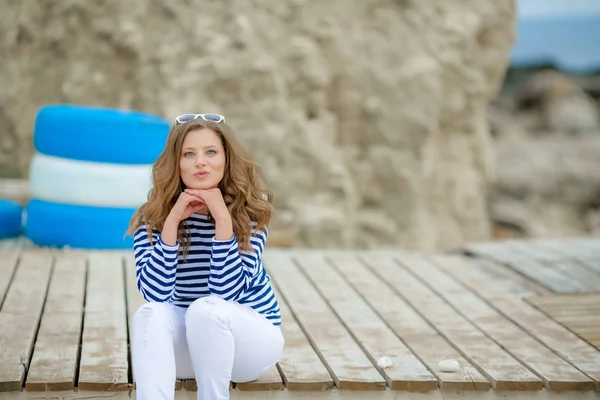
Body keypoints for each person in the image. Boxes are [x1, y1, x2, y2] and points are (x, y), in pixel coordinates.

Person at [127, 113, 283, 400]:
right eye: (189, 154)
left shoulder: (251, 215)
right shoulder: (152, 220)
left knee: (206, 309)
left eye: (210, 152)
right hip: (191, 348)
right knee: (149, 313)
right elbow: (155, 294)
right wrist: (171, 223)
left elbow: (225, 294)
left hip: (249, 344)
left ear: (226, 159)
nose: (201, 161)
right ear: (176, 163)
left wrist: (222, 220)